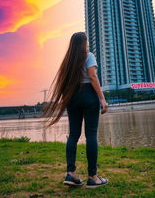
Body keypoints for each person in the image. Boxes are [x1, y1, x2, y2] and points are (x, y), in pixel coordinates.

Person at [41, 31, 109, 188]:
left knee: (73, 135)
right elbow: (92, 76)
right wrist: (102, 98)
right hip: (88, 95)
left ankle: (70, 174)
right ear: (84, 43)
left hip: (72, 96)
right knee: (91, 134)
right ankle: (93, 177)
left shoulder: (68, 61)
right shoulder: (88, 55)